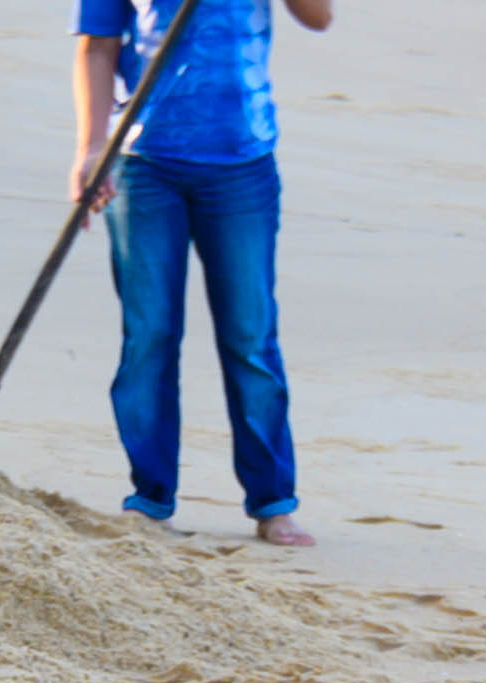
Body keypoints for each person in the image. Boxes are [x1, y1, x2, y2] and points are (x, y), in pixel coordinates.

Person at [72, 0, 330, 547]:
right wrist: (91, 147)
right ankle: (149, 498)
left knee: (249, 335)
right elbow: (97, 45)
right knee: (150, 336)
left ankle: (273, 501)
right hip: (143, 163)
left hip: (243, 163)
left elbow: (319, 15)